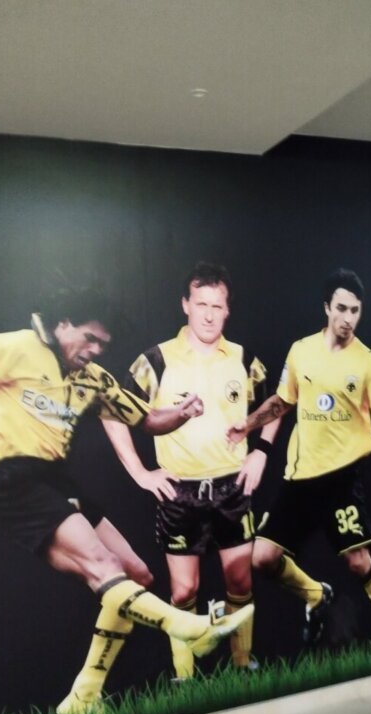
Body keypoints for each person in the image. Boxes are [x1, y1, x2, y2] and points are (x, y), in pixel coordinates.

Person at [0, 287, 253, 714]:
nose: (94, 350)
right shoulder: (7, 348)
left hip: (58, 480)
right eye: (89, 338)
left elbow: (149, 420)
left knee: (136, 574)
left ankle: (84, 697)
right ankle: (187, 627)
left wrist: (183, 413)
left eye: (102, 345)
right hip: (15, 481)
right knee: (104, 568)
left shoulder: (92, 377)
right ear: (62, 325)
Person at [103, 262, 279, 680]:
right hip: (179, 492)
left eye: (217, 306)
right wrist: (141, 472)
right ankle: (185, 679)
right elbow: (111, 410)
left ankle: (243, 667)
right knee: (185, 590)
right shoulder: (157, 360)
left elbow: (277, 403)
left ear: (227, 310)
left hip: (233, 487)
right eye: (201, 304)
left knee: (240, 582)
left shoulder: (243, 359)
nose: (209, 315)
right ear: (185, 305)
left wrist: (261, 451)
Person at [227, 268, 371, 642]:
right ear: (327, 308)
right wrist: (248, 426)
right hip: (300, 478)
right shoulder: (301, 351)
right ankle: (317, 595)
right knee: (262, 558)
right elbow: (283, 400)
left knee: (358, 561)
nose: (348, 318)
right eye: (342, 308)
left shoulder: (366, 361)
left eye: (355, 311)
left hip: (342, 478)